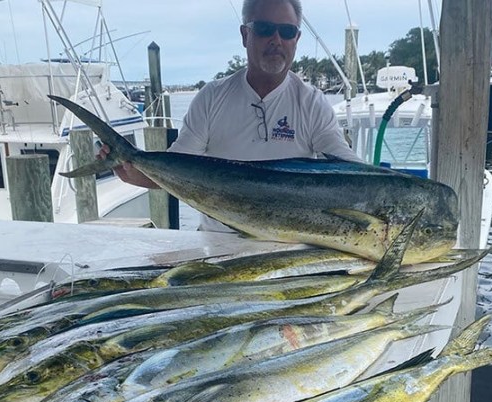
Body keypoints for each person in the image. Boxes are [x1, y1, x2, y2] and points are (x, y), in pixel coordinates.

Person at [104, 0, 360, 232]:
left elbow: (349, 169)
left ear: (297, 38)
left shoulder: (313, 103)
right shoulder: (212, 97)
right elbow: (178, 166)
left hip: (288, 249)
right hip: (216, 244)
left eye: (287, 31)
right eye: (264, 29)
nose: (276, 39)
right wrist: (129, 170)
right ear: (244, 34)